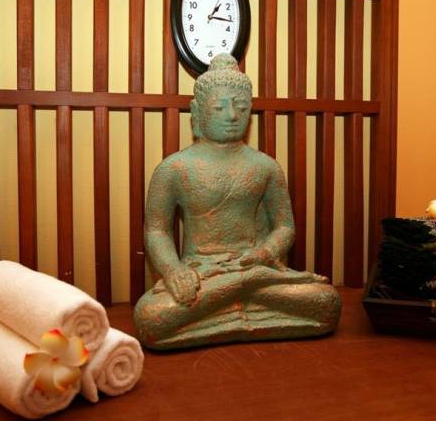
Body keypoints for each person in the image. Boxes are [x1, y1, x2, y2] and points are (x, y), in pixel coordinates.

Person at [133, 54, 341, 350]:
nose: (232, 116)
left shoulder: (265, 166)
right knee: (150, 316)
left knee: (326, 301)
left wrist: (264, 253)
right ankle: (245, 290)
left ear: (250, 111)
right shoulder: (174, 168)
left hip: (257, 267)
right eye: (219, 107)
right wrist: (174, 272)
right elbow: (156, 231)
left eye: (241, 107)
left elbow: (285, 227)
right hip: (203, 275)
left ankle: (235, 297)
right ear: (197, 111)